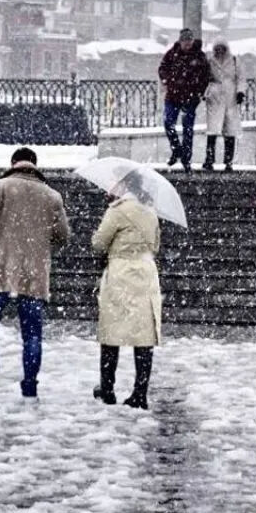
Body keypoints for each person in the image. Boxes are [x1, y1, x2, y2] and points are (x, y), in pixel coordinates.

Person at [0, 147, 71, 402]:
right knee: (32, 332)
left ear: (13, 163)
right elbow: (63, 234)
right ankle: (30, 385)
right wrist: (40, 247)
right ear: (34, 166)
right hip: (33, 271)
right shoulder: (52, 196)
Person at [90, 170, 162, 411]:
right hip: (145, 272)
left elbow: (99, 243)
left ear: (123, 186)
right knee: (144, 334)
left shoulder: (118, 210)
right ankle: (140, 393)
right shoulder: (151, 210)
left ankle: (107, 389)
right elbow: (155, 245)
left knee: (112, 331)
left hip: (120, 272)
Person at [158, 29, 211, 173]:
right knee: (168, 122)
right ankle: (177, 150)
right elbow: (162, 68)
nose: (187, 44)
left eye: (189, 41)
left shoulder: (199, 56)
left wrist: (199, 92)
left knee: (188, 129)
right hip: (173, 96)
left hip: (191, 97)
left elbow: (206, 75)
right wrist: (168, 80)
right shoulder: (172, 53)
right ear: (180, 41)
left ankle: (186, 159)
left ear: (192, 41)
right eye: (185, 41)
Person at [203, 40, 246, 172]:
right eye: (217, 49)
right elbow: (204, 77)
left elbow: (241, 77)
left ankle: (228, 161)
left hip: (230, 97)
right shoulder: (210, 61)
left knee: (230, 130)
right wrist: (205, 92)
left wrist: (240, 92)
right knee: (212, 130)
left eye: (222, 49)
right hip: (215, 97)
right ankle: (209, 160)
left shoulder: (234, 60)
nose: (220, 52)